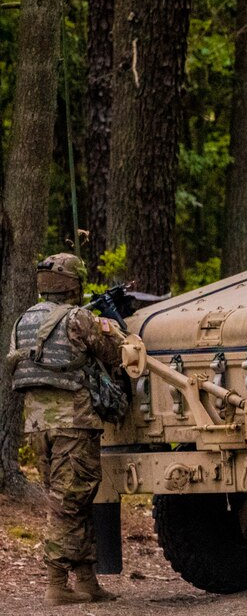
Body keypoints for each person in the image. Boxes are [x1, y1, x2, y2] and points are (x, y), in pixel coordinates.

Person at [7, 253, 123, 605]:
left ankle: (86, 579)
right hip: (74, 423)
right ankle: (57, 582)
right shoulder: (79, 319)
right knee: (68, 505)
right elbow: (114, 355)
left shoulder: (24, 320)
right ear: (74, 283)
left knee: (75, 500)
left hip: (37, 425)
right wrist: (113, 330)